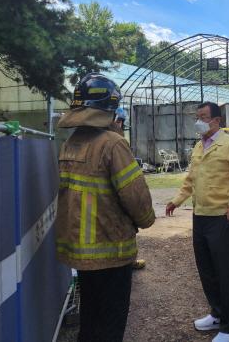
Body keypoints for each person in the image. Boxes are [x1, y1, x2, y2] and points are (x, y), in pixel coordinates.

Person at [56, 73, 155, 342]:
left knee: (90, 321)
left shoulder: (70, 143)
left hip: (81, 252)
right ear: (110, 108)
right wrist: (147, 219)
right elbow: (136, 197)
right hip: (112, 250)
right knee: (110, 325)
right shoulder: (112, 144)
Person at [165, 102, 229, 342]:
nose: (199, 121)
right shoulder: (199, 146)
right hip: (200, 215)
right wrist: (177, 200)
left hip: (221, 217)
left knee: (224, 272)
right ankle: (217, 313)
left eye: (203, 117)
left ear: (217, 121)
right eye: (197, 116)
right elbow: (191, 178)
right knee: (206, 269)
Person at [110, 106, 147, 270]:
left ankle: (129, 260)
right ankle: (123, 262)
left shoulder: (117, 138)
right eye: (120, 121)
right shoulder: (113, 142)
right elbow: (130, 189)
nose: (121, 125)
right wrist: (145, 217)